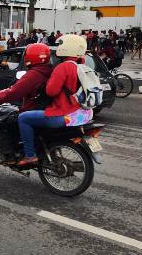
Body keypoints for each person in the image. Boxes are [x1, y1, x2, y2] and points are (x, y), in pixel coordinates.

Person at [16, 34, 92, 167]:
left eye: (60, 44)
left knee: (23, 118)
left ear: (67, 47)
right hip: (84, 115)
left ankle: (30, 156)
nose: (58, 48)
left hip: (66, 114)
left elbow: (51, 91)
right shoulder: (82, 66)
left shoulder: (63, 67)